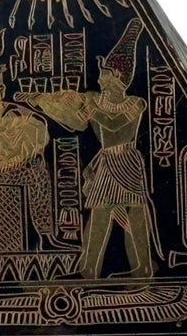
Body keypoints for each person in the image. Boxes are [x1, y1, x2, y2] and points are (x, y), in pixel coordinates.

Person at [17, 18, 157, 279]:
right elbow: (78, 123)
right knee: (100, 213)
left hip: (127, 161)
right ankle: (89, 270)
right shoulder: (96, 100)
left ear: (117, 77)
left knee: (135, 211)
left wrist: (91, 107)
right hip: (106, 162)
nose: (99, 78)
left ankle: (144, 268)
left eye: (104, 73)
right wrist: (42, 102)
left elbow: (114, 125)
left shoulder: (135, 104)